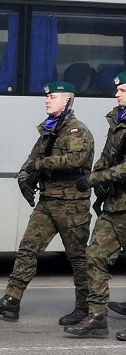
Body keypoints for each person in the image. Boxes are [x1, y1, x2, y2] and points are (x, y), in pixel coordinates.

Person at [0, 80, 93, 326]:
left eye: (52, 97)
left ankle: (85, 307)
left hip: (71, 204)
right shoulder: (48, 130)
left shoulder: (77, 130)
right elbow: (32, 159)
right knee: (28, 250)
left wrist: (40, 166)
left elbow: (77, 159)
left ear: (67, 100)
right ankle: (11, 301)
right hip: (47, 201)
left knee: (78, 258)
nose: (47, 100)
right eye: (47, 97)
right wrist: (24, 178)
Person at [64, 71, 126, 339]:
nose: (116, 94)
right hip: (114, 205)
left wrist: (97, 177)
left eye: (122, 90)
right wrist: (99, 177)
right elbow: (106, 156)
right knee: (94, 256)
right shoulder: (117, 119)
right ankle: (97, 316)